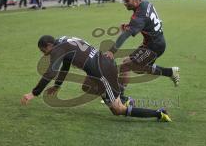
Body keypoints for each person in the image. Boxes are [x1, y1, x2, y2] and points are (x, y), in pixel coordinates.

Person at [21, 35, 172, 122]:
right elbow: (65, 67)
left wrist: (33, 93)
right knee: (87, 87)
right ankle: (123, 97)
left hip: (102, 73)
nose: (44, 54)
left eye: (44, 50)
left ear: (49, 45)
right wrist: (58, 86)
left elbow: (50, 73)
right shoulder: (63, 41)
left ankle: (159, 113)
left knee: (118, 110)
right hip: (103, 64)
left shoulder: (57, 49)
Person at [105, 0, 180, 89]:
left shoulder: (140, 15)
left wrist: (111, 51)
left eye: (127, 1)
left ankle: (119, 98)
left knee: (126, 66)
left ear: (136, 0)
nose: (124, 3)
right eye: (124, 0)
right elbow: (148, 22)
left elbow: (125, 35)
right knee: (134, 66)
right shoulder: (146, 4)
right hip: (153, 43)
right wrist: (130, 26)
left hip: (154, 46)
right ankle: (170, 72)